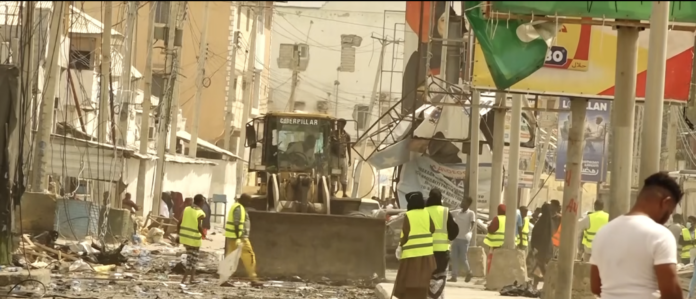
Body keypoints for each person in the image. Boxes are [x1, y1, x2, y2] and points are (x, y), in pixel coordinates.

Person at [590, 172, 683, 299]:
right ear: (665, 202)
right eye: (669, 212)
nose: (667, 219)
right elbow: (672, 294)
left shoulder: (603, 233)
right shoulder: (660, 235)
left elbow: (595, 286)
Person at [393, 192, 436, 299]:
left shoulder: (409, 215)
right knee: (423, 282)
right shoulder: (426, 213)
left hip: (411, 256)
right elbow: (432, 229)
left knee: (409, 281)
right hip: (427, 255)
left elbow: (405, 233)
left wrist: (399, 247)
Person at [425, 188, 459, 299]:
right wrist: (449, 237)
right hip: (442, 252)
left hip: (426, 251)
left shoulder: (424, 211)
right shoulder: (445, 211)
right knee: (440, 278)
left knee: (427, 278)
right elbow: (453, 231)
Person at [224, 193, 262, 286]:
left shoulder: (236, 206)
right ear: (244, 200)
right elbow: (237, 223)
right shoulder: (239, 208)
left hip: (234, 237)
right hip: (240, 238)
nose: (249, 203)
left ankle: (224, 279)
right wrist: (239, 237)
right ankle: (253, 279)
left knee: (230, 259)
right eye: (248, 201)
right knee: (250, 257)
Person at [178, 194, 207, 285]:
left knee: (190, 258)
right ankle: (187, 279)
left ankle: (190, 278)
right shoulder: (200, 212)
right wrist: (204, 235)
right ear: (201, 202)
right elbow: (199, 226)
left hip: (185, 238)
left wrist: (178, 234)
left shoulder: (186, 209)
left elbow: (179, 222)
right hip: (194, 239)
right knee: (193, 260)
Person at [526, 203, 555, 288]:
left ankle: (547, 283)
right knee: (539, 266)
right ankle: (536, 284)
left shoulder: (541, 222)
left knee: (541, 266)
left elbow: (536, 235)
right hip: (548, 249)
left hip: (540, 249)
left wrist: (534, 247)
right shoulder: (551, 222)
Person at [449, 196, 475, 283]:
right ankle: (454, 276)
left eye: (464, 202)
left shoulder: (471, 213)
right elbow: (448, 213)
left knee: (463, 258)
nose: (462, 203)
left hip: (464, 239)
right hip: (456, 238)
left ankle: (469, 272)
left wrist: (470, 232)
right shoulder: (457, 212)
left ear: (468, 204)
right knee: (454, 257)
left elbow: (473, 224)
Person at [484, 204, 508, 273]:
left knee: (492, 261)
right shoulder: (508, 218)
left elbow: (491, 230)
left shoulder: (497, 218)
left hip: (495, 244)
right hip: (505, 244)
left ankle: (490, 276)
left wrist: (489, 226)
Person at [330, 119, 351, 197]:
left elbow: (348, 147)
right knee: (334, 174)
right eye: (337, 124)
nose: (338, 125)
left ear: (343, 125)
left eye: (340, 124)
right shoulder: (333, 134)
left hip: (343, 157)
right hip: (334, 157)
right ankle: (332, 192)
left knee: (344, 175)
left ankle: (344, 193)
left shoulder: (347, 136)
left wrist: (350, 159)